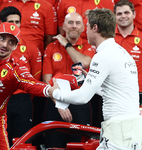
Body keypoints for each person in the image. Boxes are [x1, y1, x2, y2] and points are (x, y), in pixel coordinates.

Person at [49, 8, 142, 149]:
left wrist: (54, 93)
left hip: (119, 132)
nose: (85, 31)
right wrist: (93, 83)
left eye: (86, 26)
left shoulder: (103, 56)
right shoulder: (122, 52)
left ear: (95, 28)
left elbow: (82, 97)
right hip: (127, 129)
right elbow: (113, 91)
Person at [42, 12, 95, 148]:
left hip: (80, 103)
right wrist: (60, 104)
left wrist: (66, 45)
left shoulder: (89, 47)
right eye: (70, 23)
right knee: (54, 146)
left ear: (83, 28)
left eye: (78, 23)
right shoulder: (51, 48)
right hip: (55, 103)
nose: (74, 26)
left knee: (78, 146)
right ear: (63, 26)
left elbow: (84, 63)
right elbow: (47, 80)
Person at [0, 6, 42, 146]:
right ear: (2, 25)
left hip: (23, 100)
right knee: (1, 140)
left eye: (17, 22)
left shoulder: (31, 47)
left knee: (22, 141)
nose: (15, 25)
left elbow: (35, 77)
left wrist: (24, 96)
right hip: (1, 99)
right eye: (11, 22)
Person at [114, 0, 142, 109]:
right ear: (114, 16)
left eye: (127, 13)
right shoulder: (107, 37)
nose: (123, 16)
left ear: (134, 14)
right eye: (119, 14)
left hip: (138, 93)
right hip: (114, 93)